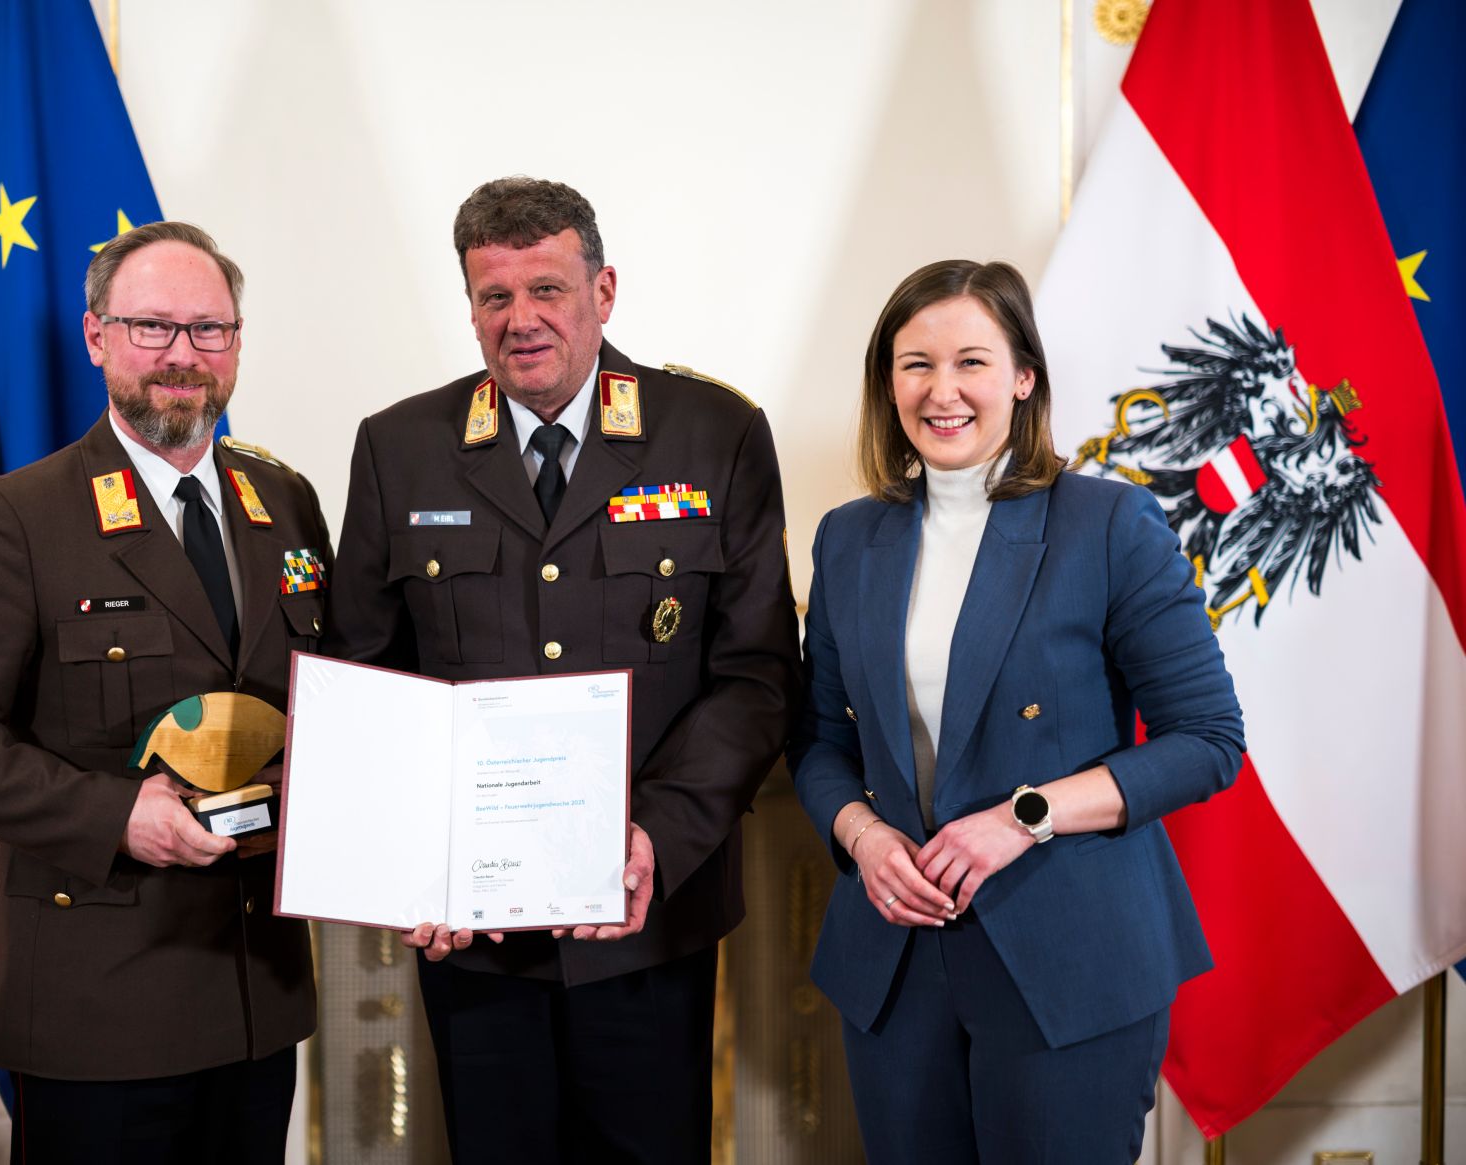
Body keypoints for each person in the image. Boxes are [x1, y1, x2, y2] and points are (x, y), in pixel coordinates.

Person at [321, 176, 800, 1164]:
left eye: (546, 289)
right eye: (493, 297)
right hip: (473, 933)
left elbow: (755, 674)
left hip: (646, 916)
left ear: (603, 290)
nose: (520, 319)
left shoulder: (713, 435)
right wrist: (415, 860)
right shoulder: (398, 450)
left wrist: (652, 839)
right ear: (469, 307)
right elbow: (365, 684)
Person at [0, 221, 329, 1165]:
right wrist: (115, 814)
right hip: (101, 1011)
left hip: (259, 997)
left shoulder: (282, 501)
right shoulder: (20, 516)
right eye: (153, 327)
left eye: (209, 330)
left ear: (237, 344)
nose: (183, 355)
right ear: (97, 339)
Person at [788, 259, 1244, 1163]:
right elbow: (818, 741)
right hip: (896, 956)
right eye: (915, 363)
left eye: (971, 361)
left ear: (1023, 376)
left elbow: (1208, 743)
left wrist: (1023, 817)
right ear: (889, 382)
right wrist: (862, 836)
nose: (941, 390)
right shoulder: (848, 536)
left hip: (1067, 957)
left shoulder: (1110, 525)